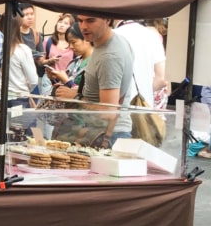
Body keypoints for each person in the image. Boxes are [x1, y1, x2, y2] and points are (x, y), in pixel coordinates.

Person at [72, 14, 134, 147]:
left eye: (90, 20)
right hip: (106, 133)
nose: (83, 27)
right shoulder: (117, 41)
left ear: (107, 19)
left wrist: (75, 97)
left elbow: (108, 112)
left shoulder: (109, 56)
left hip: (107, 136)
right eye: (80, 21)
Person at [114, 19, 167, 109]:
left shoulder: (113, 35)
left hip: (116, 106)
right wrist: (144, 90)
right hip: (144, 106)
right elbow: (160, 79)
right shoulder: (153, 36)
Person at [49, 23, 94, 100]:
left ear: (86, 39)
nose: (70, 46)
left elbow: (91, 94)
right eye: (69, 43)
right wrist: (55, 78)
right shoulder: (74, 62)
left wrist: (67, 81)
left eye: (73, 42)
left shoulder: (95, 63)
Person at [6, 14, 38, 108]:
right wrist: (25, 88)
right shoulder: (22, 49)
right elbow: (33, 80)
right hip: (19, 97)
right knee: (17, 123)